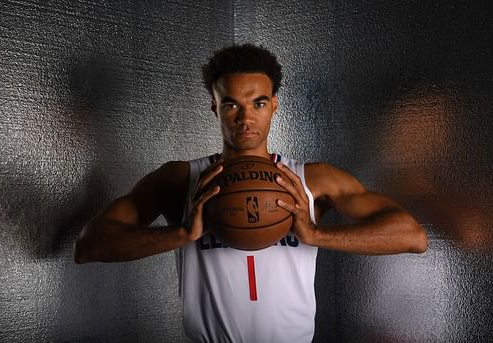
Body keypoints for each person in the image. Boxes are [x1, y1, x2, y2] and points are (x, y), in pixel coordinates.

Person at [73, 44, 428, 342]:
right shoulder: (180, 179)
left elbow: (411, 235)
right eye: (231, 105)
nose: (245, 118)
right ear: (215, 107)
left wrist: (315, 233)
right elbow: (89, 246)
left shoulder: (313, 180)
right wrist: (183, 233)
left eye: (258, 103)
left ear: (274, 105)